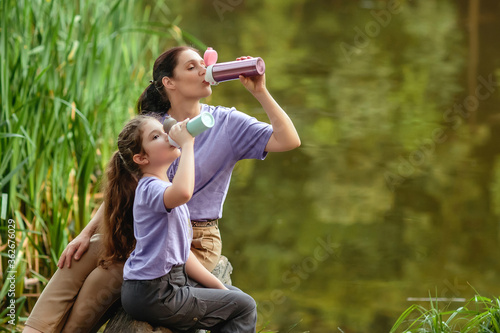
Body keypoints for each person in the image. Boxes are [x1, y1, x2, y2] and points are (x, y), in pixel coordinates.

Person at [23, 46, 300, 332]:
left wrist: (259, 92)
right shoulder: (152, 127)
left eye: (202, 64)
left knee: (108, 276)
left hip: (192, 237)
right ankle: (34, 329)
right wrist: (86, 232)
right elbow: (124, 185)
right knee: (80, 255)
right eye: (191, 67)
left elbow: (288, 140)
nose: (203, 70)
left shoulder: (226, 123)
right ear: (169, 82)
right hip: (145, 224)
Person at [109, 114, 256, 331]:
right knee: (245, 307)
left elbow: (182, 253)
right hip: (155, 293)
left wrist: (218, 287)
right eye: (156, 136)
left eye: (164, 130)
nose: (168, 136)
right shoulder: (151, 188)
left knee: (235, 297)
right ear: (141, 158)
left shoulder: (162, 188)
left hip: (160, 287)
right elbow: (185, 192)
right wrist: (187, 144)